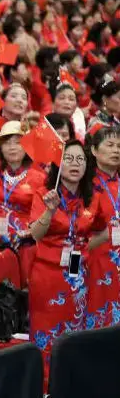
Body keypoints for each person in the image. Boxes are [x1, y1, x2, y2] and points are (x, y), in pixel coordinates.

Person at [28, 139, 97, 384]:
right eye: (69, 158)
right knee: (46, 334)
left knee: (74, 334)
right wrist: (49, 210)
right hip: (47, 275)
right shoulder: (44, 194)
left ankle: (69, 389)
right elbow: (35, 234)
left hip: (78, 277)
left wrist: (86, 250)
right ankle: (44, 388)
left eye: (80, 159)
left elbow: (99, 231)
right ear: (59, 164)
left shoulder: (92, 198)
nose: (75, 164)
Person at [0, 121, 46, 251]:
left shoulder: (39, 178)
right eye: (6, 143)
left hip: (24, 243)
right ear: (0, 148)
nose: (12, 147)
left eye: (18, 142)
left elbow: (43, 217)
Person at [86, 127, 120, 328]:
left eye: (119, 146)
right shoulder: (86, 185)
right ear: (94, 150)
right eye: (110, 145)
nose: (116, 150)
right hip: (95, 259)